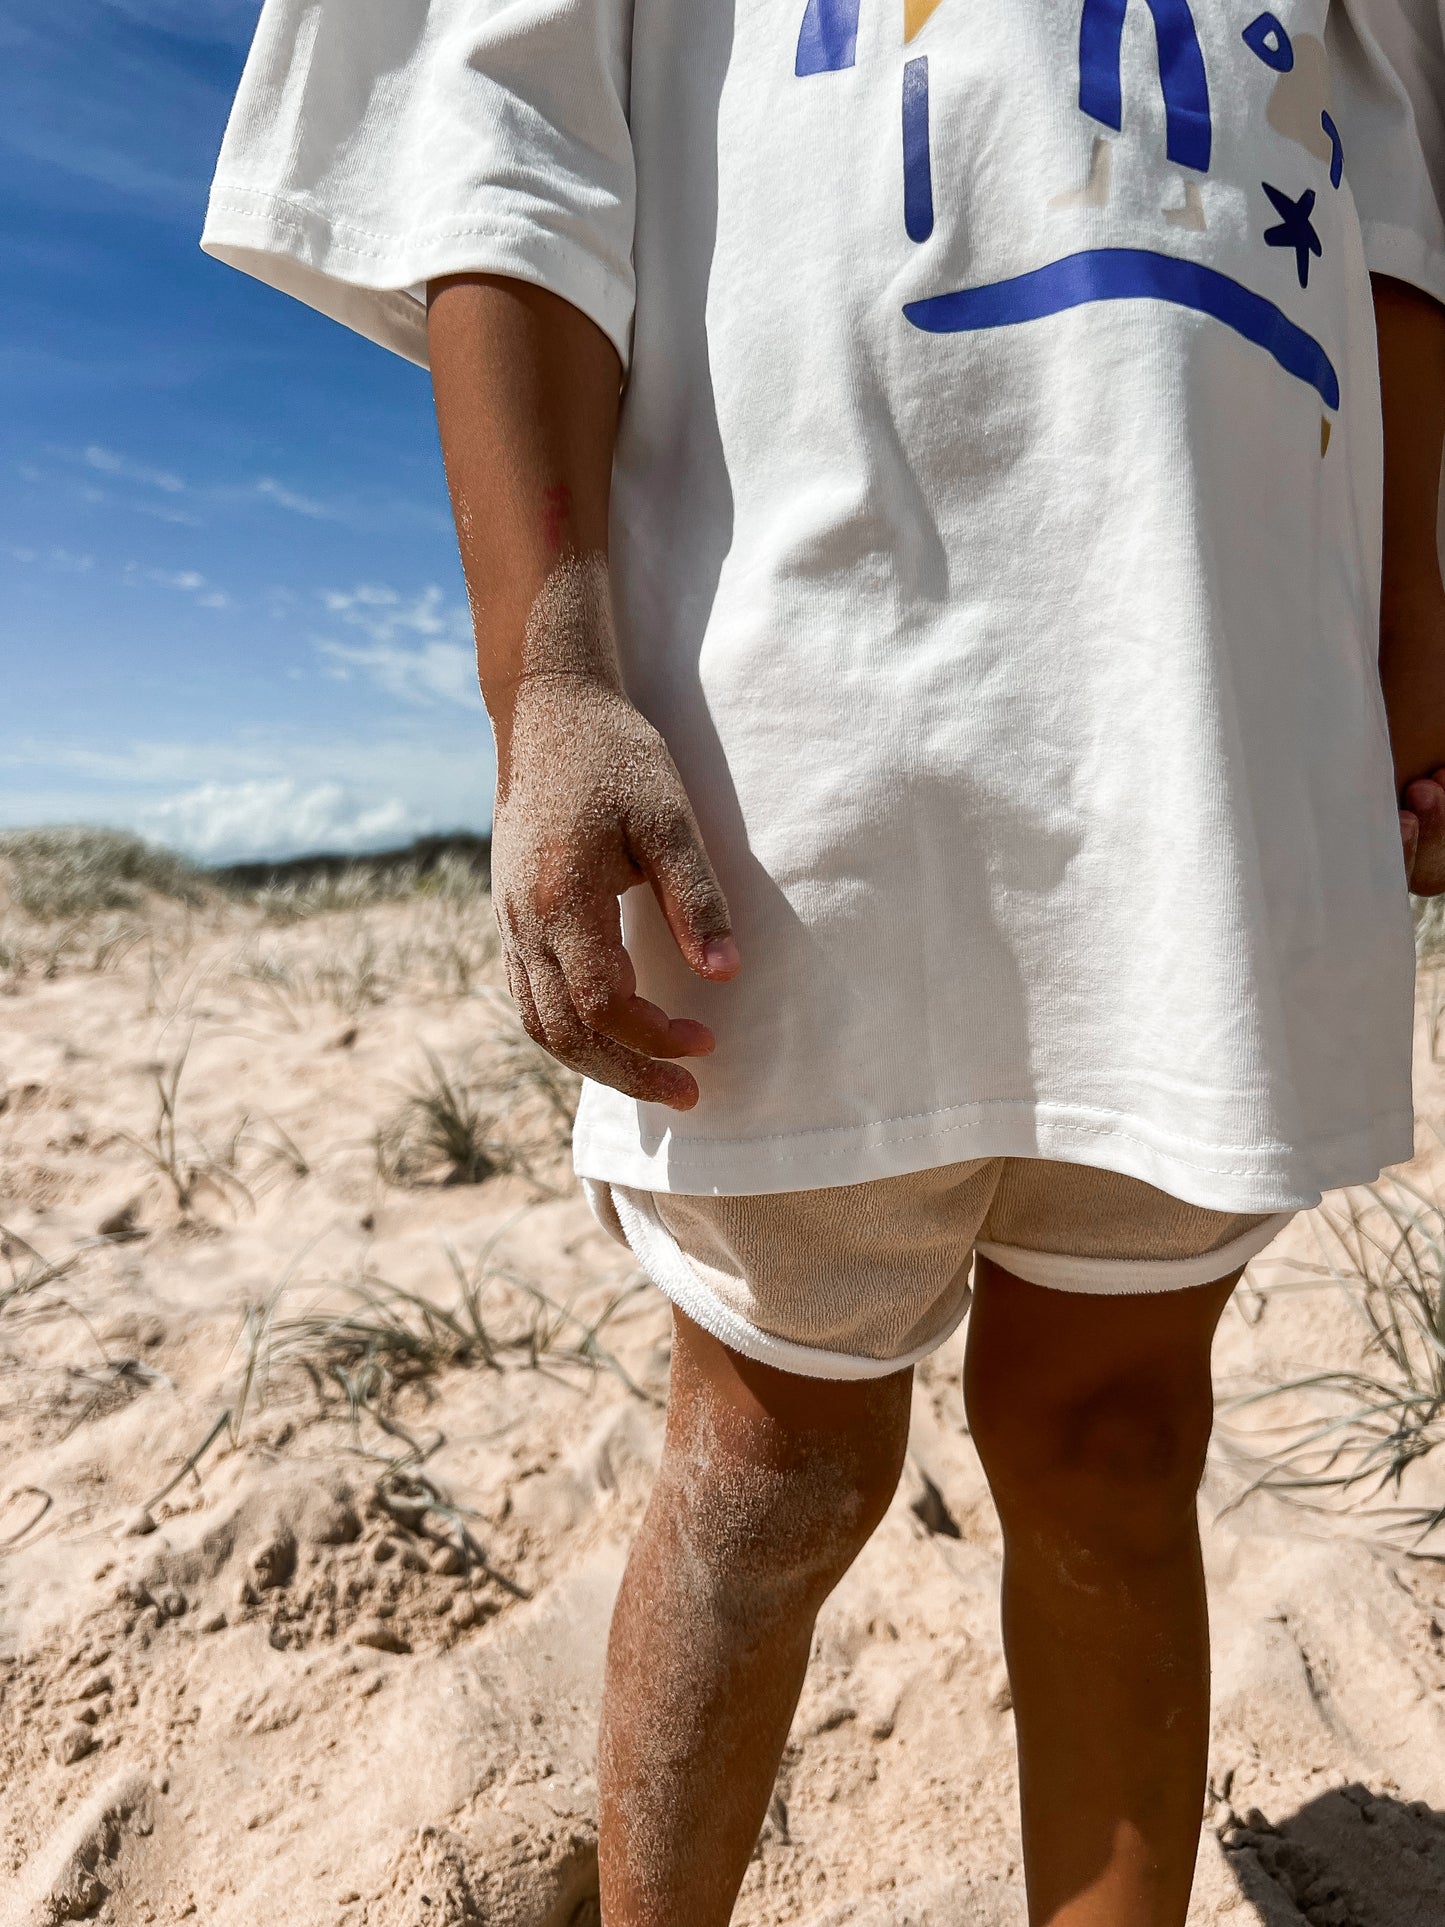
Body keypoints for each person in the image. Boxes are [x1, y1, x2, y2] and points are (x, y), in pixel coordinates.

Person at [203, 3, 1445, 1921]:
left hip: (1217, 740)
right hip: (806, 746)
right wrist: (549, 673)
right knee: (772, 1458)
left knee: (1116, 1435)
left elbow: (1393, 214)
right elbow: (509, 149)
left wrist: (1408, 648)